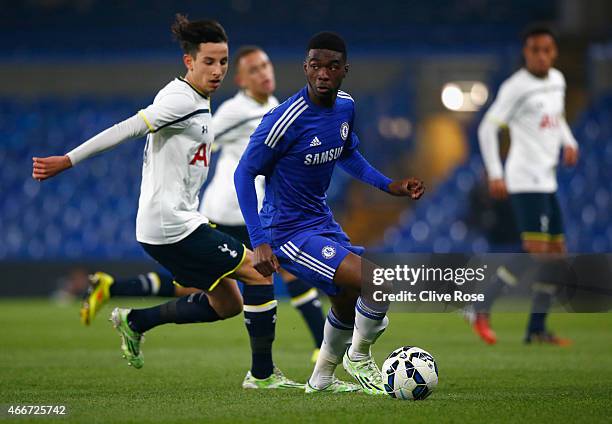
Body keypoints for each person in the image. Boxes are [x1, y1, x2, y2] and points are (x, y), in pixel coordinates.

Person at [32, 14, 301, 389]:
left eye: (223, 61)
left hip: (174, 222)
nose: (218, 70)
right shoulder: (180, 100)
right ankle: (263, 375)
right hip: (170, 224)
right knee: (259, 270)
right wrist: (68, 160)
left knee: (228, 305)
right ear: (189, 61)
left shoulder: (198, 100)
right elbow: (128, 127)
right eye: (209, 61)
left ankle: (135, 322)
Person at [80, 46, 326, 362]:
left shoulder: (275, 107)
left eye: (266, 65)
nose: (264, 72)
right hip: (226, 210)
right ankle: (302, 353)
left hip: (250, 212)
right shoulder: (236, 111)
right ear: (240, 80)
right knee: (271, 272)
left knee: (207, 286)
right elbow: (202, 135)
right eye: (254, 69)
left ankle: (120, 298)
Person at [234, 31, 425, 394]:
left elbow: (347, 152)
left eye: (332, 66)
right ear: (305, 68)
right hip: (286, 232)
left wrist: (389, 185)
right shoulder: (283, 120)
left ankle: (320, 380)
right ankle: (358, 356)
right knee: (377, 281)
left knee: (345, 295)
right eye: (316, 66)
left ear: (344, 71)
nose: (323, 73)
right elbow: (244, 173)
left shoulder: (346, 107)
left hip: (320, 221)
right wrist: (258, 241)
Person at [475, 24, 578, 345]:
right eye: (535, 50)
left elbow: (556, 117)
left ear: (554, 52)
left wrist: (569, 141)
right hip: (523, 177)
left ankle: (535, 329)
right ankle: (482, 305)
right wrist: (495, 172)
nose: (542, 56)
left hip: (546, 178)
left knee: (556, 253)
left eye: (547, 50)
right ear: (526, 52)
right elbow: (487, 129)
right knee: (537, 251)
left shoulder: (557, 80)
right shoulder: (515, 87)